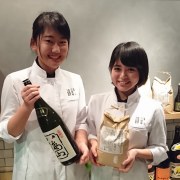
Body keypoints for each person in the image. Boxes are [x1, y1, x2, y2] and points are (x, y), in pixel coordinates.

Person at [0, 11, 89, 180]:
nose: (56, 49)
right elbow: (7, 135)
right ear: (34, 43)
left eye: (62, 42)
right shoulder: (15, 80)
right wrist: (26, 108)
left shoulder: (75, 80)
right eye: (49, 41)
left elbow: (81, 122)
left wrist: (82, 142)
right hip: (34, 171)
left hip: (73, 172)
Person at [87, 41, 168, 180]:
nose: (123, 75)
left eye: (131, 69)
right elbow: (90, 134)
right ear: (111, 70)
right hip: (100, 175)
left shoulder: (153, 108)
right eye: (117, 68)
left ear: (141, 72)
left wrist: (136, 153)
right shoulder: (96, 101)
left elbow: (161, 149)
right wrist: (93, 145)